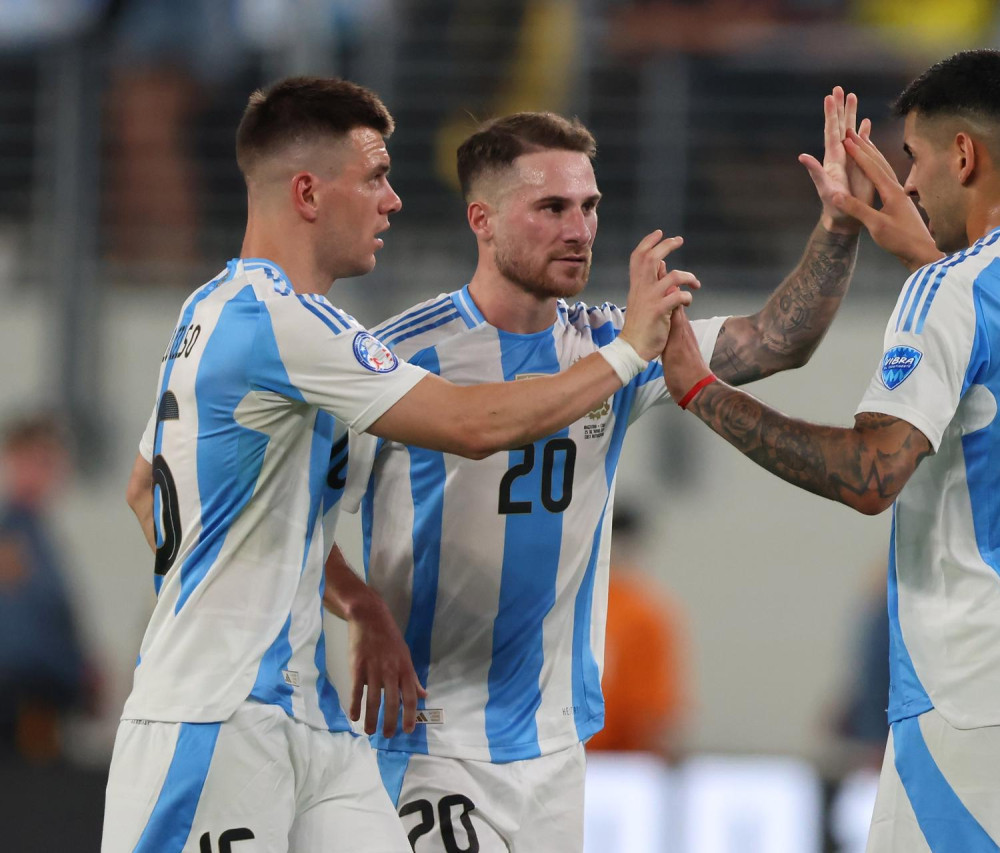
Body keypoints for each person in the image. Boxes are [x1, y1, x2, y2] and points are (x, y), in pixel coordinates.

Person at [103, 76, 692, 853]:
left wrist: (359, 603)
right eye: (375, 178)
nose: (394, 201)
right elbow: (470, 422)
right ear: (309, 192)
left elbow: (146, 487)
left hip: (307, 716)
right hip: (214, 716)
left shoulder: (212, 309)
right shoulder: (286, 323)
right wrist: (628, 351)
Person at [341, 90, 913, 852]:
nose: (579, 229)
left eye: (590, 205)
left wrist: (839, 226)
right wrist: (361, 607)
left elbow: (777, 340)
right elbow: (285, 513)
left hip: (556, 749)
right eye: (551, 207)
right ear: (482, 220)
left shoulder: (616, 340)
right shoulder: (395, 357)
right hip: (426, 742)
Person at [662, 50, 1000, 851]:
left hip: (982, 690)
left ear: (964, 155)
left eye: (914, 160)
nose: (911, 185)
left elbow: (871, 473)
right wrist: (927, 258)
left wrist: (700, 391)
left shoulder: (950, 293)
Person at [0, 413, 94, 764]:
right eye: (33, 461)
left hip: (47, 711)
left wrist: (84, 669)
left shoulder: (40, 538)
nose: (41, 474)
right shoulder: (13, 538)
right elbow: (21, 647)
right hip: (22, 714)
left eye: (48, 462)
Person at [585, 504, 688, 757]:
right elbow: (654, 716)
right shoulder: (643, 612)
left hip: (574, 755)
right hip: (617, 762)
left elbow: (653, 713)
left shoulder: (568, 602)